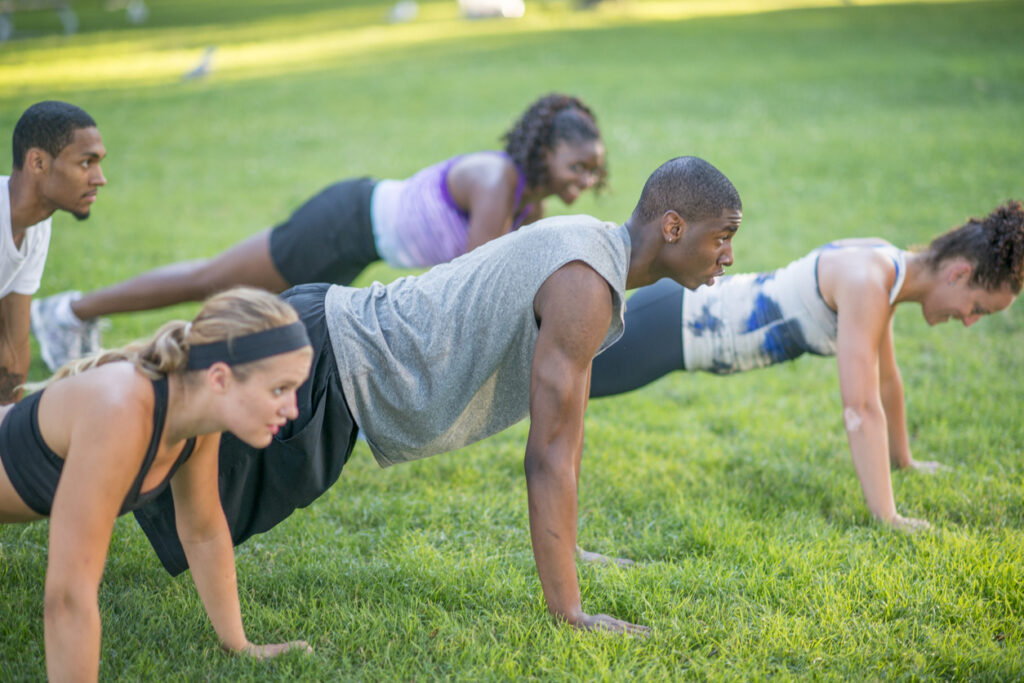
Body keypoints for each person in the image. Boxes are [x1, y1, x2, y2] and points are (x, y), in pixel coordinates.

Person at [133, 155, 743, 635]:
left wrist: (570, 549)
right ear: (673, 226)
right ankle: (51, 450)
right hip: (327, 362)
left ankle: (64, 427)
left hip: (330, 343)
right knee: (144, 458)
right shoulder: (586, 284)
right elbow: (549, 456)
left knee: (162, 448)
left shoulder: (594, 256)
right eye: (723, 237)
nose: (729, 257)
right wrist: (571, 614)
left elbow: (568, 435)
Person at [31, 92, 608, 370]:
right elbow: (478, 278)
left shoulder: (528, 208)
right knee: (213, 281)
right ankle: (67, 313)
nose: (584, 180)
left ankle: (119, 357)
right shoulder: (497, 179)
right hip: (344, 220)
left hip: (357, 253)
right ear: (546, 150)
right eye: (577, 166)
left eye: (593, 170)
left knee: (255, 326)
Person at [589, 200, 1024, 531]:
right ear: (959, 274)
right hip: (675, 325)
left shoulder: (886, 270)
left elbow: (886, 381)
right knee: (555, 378)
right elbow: (861, 408)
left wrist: (903, 461)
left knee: (559, 379)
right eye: (978, 309)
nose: (969, 321)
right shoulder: (868, 281)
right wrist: (888, 517)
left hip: (684, 329)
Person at [0, 287, 316, 680]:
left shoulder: (196, 416)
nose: (293, 409)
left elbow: (203, 531)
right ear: (220, 377)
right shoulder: (122, 413)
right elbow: (68, 597)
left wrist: (240, 645)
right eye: (279, 390)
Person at [1, 101, 106, 403]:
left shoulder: (35, 226)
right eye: (86, 162)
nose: (100, 178)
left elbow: (12, 343)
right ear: (37, 163)